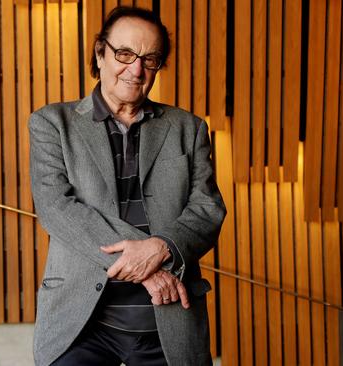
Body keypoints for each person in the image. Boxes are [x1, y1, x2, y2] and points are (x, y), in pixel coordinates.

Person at [29, 6, 226, 366]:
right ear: (100, 53)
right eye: (124, 54)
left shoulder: (189, 128)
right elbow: (56, 207)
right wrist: (148, 266)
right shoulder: (51, 123)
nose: (136, 70)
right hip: (81, 323)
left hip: (169, 320)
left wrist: (164, 247)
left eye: (150, 60)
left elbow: (207, 210)